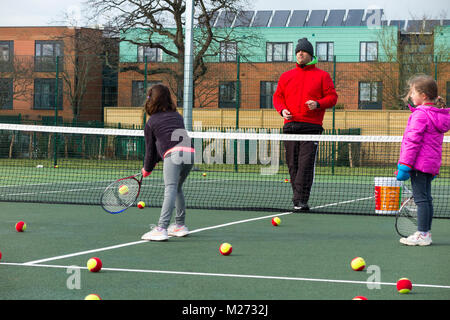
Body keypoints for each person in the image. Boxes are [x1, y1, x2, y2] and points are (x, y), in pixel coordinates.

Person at [273, 38, 338, 212]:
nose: (300, 54)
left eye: (304, 51)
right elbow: (277, 97)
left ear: (310, 55)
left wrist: (317, 104)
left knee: (305, 164)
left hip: (311, 127)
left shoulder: (322, 76)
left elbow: (332, 98)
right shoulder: (286, 76)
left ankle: (300, 199)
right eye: (298, 51)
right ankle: (298, 199)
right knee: (292, 164)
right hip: (290, 126)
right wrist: (282, 110)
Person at [396, 74, 450, 246]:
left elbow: (412, 142)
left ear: (424, 96)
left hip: (418, 166)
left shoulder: (420, 115)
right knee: (426, 199)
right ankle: (425, 233)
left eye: (413, 92)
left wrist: (404, 166)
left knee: (421, 200)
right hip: (429, 166)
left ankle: (423, 234)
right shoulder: (437, 115)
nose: (411, 96)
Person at [140, 84, 195, 241]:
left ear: (151, 100)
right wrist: (157, 160)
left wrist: (147, 169)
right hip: (190, 153)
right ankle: (179, 226)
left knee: (170, 189)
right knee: (177, 187)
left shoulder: (151, 122)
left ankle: (161, 228)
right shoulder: (177, 116)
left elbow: (150, 150)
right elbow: (163, 144)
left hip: (174, 155)